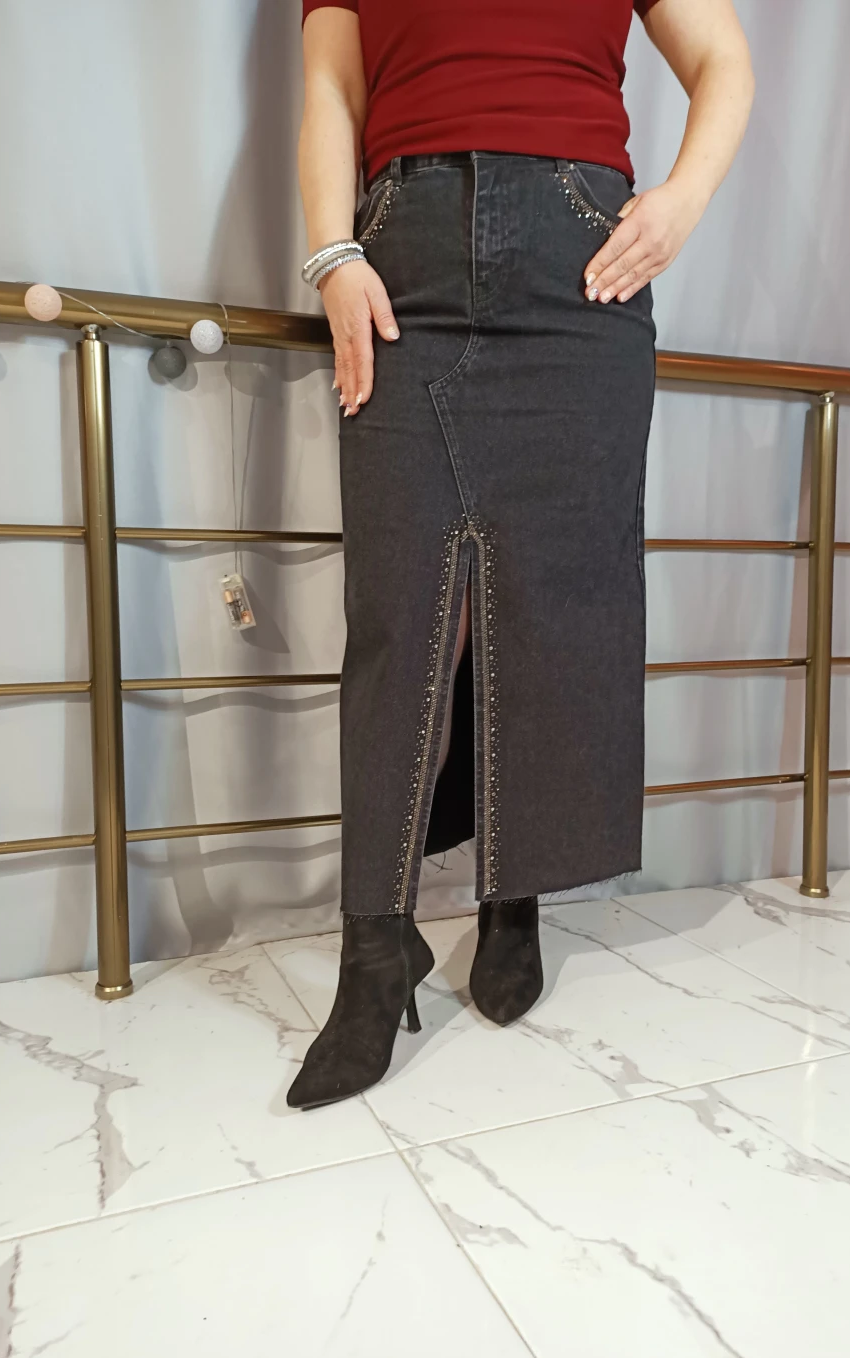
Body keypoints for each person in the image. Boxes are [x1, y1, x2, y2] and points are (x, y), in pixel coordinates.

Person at [288, 0, 754, 1110]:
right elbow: (330, 89)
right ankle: (373, 948)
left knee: (549, 593)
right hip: (402, 256)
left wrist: (681, 201)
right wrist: (333, 253)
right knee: (398, 605)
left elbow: (722, 57)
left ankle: (515, 896)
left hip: (577, 262)